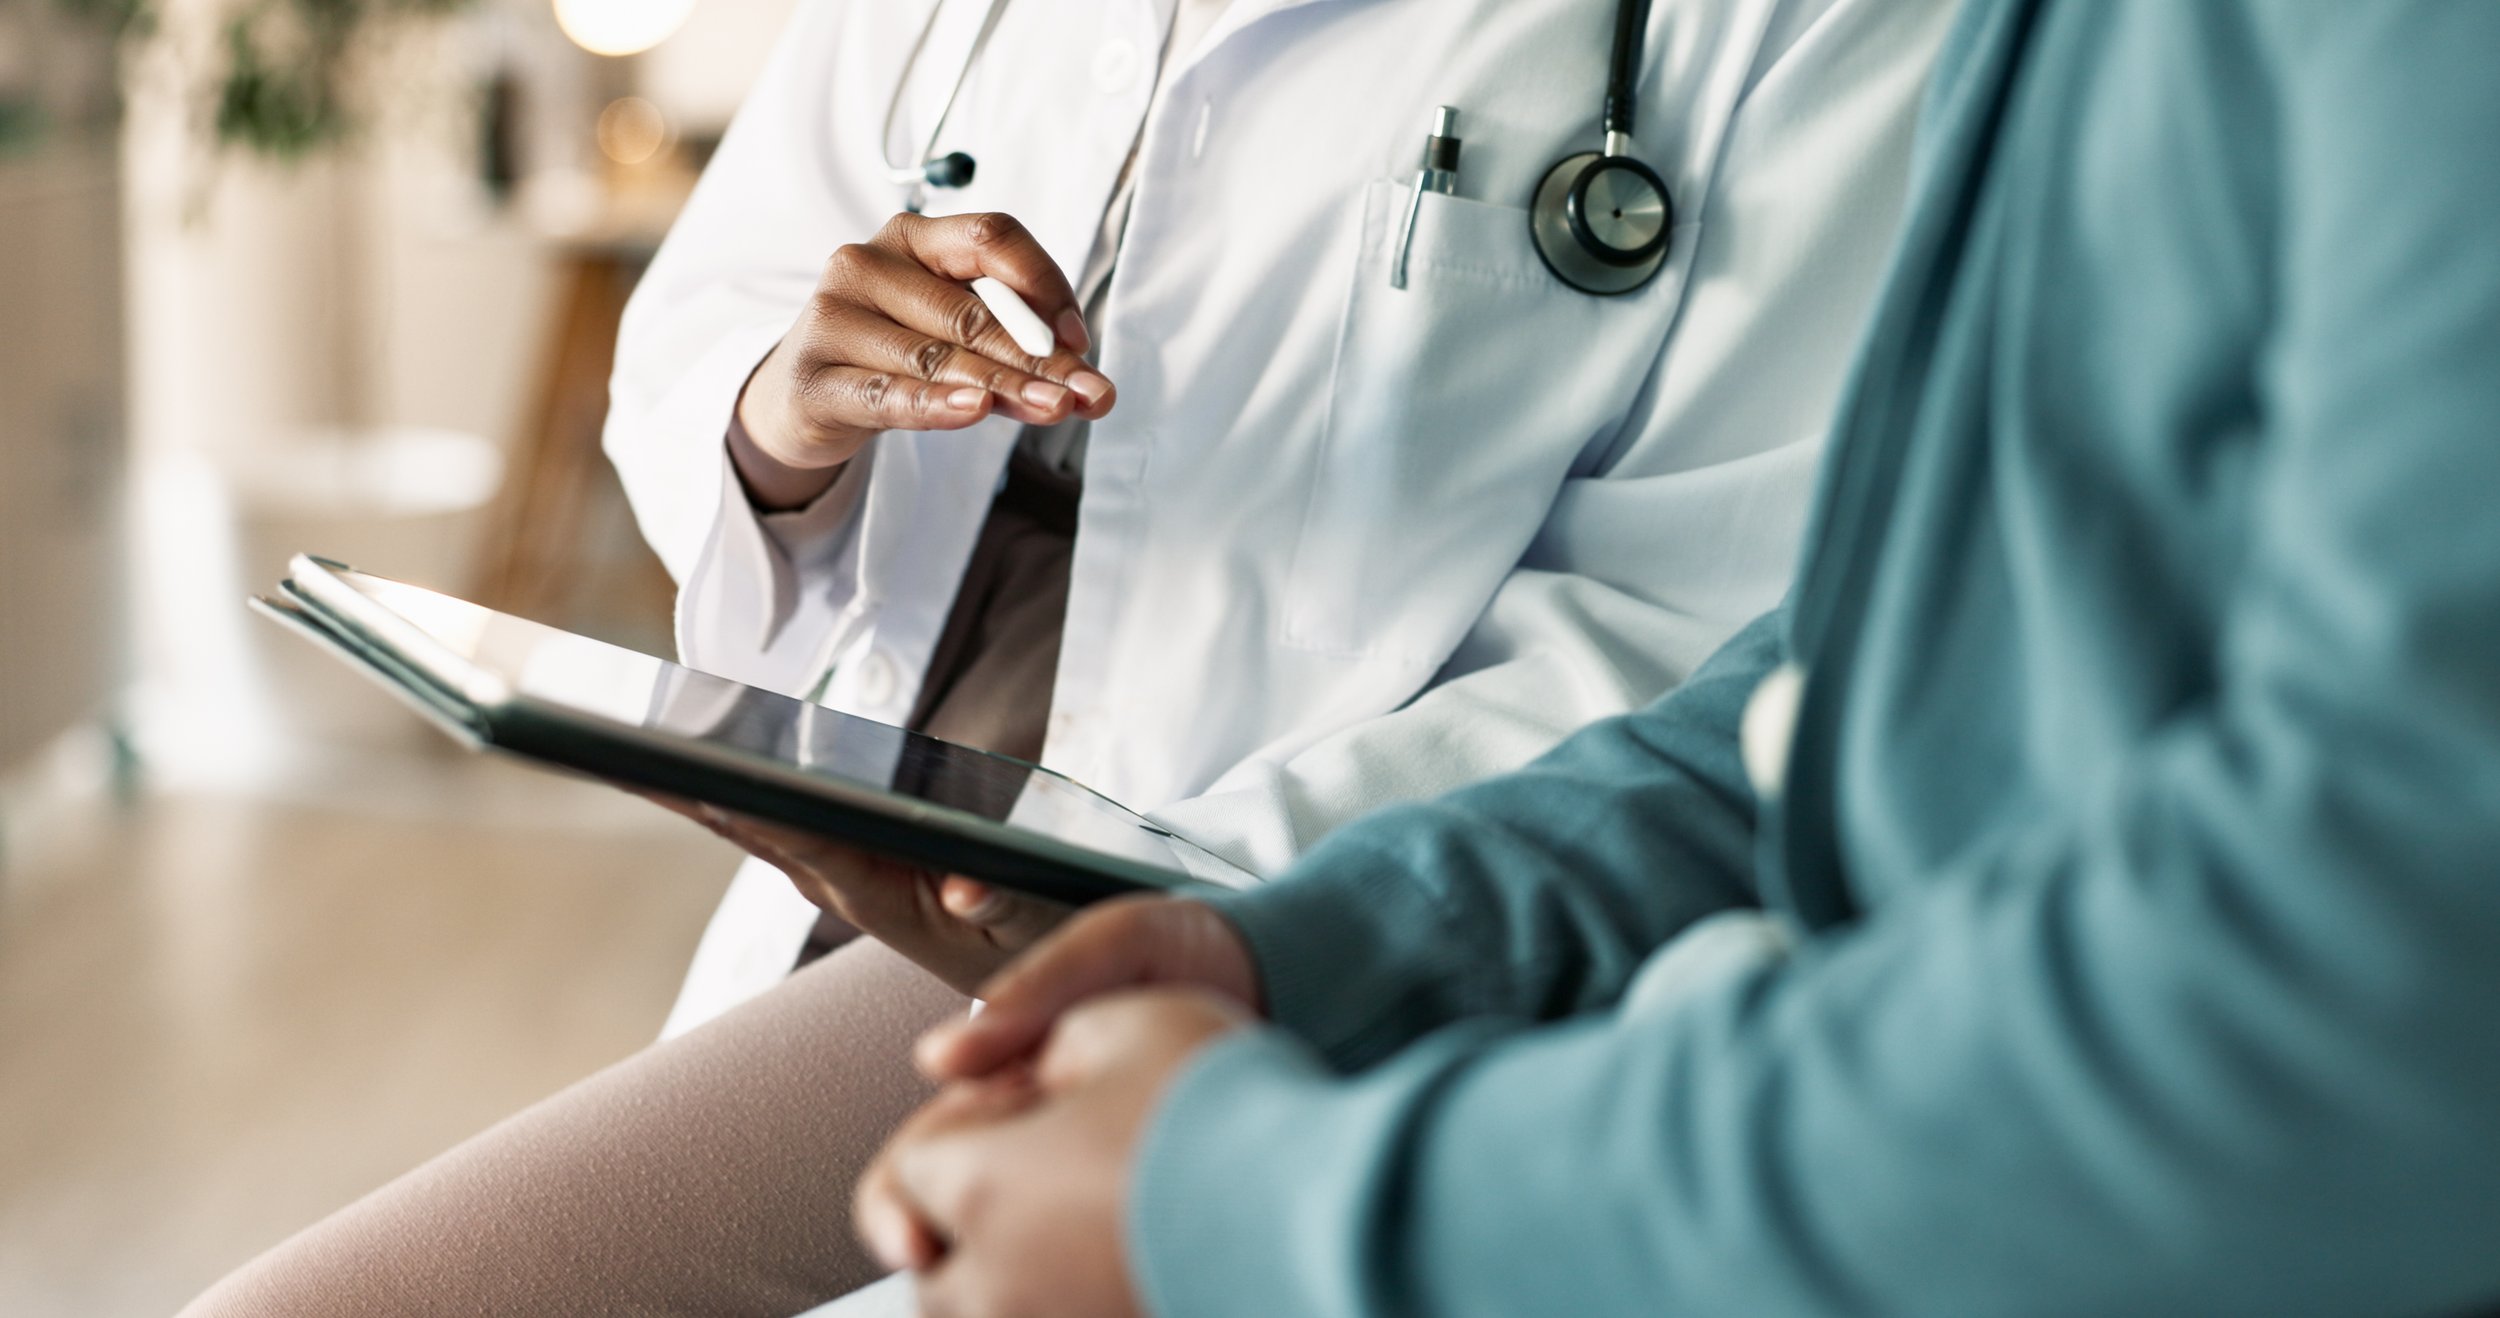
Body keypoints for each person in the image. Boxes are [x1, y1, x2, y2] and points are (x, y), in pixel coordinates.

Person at [177, 0, 1953, 1313]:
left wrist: (1194, 894)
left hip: (1250, 910)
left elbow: (1707, 636)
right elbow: (705, 319)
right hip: (866, 829)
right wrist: (788, 406)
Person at [829, 0, 2500, 1312]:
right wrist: (1326, 954)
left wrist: (1272, 1212)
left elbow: (2386, 972)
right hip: (1361, 968)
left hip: (1895, 1160)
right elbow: (1872, 671)